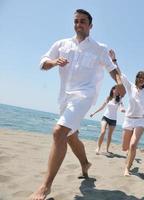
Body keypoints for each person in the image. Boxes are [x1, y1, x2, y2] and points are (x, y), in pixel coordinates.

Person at [31, 9, 125, 200]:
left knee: (59, 132)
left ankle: (45, 186)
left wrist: (119, 82)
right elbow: (42, 63)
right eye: (76, 21)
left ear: (90, 25)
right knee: (70, 137)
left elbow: (112, 69)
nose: (78, 24)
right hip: (64, 98)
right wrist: (54, 62)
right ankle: (85, 164)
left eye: (83, 21)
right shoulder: (62, 44)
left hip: (85, 96)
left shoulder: (100, 48)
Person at [109, 49, 144, 176]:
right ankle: (130, 155)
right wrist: (114, 59)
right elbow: (120, 73)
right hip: (128, 119)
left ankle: (127, 168)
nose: (141, 79)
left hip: (140, 120)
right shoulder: (130, 86)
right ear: (136, 78)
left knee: (132, 145)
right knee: (125, 147)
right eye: (139, 77)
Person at [90, 85, 125, 155]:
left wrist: (122, 109)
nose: (117, 91)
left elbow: (121, 106)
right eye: (116, 89)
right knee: (103, 132)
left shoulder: (120, 99)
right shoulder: (108, 98)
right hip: (105, 117)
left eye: (118, 90)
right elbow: (102, 107)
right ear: (113, 90)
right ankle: (98, 148)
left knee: (109, 135)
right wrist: (94, 113)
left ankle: (107, 149)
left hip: (113, 120)